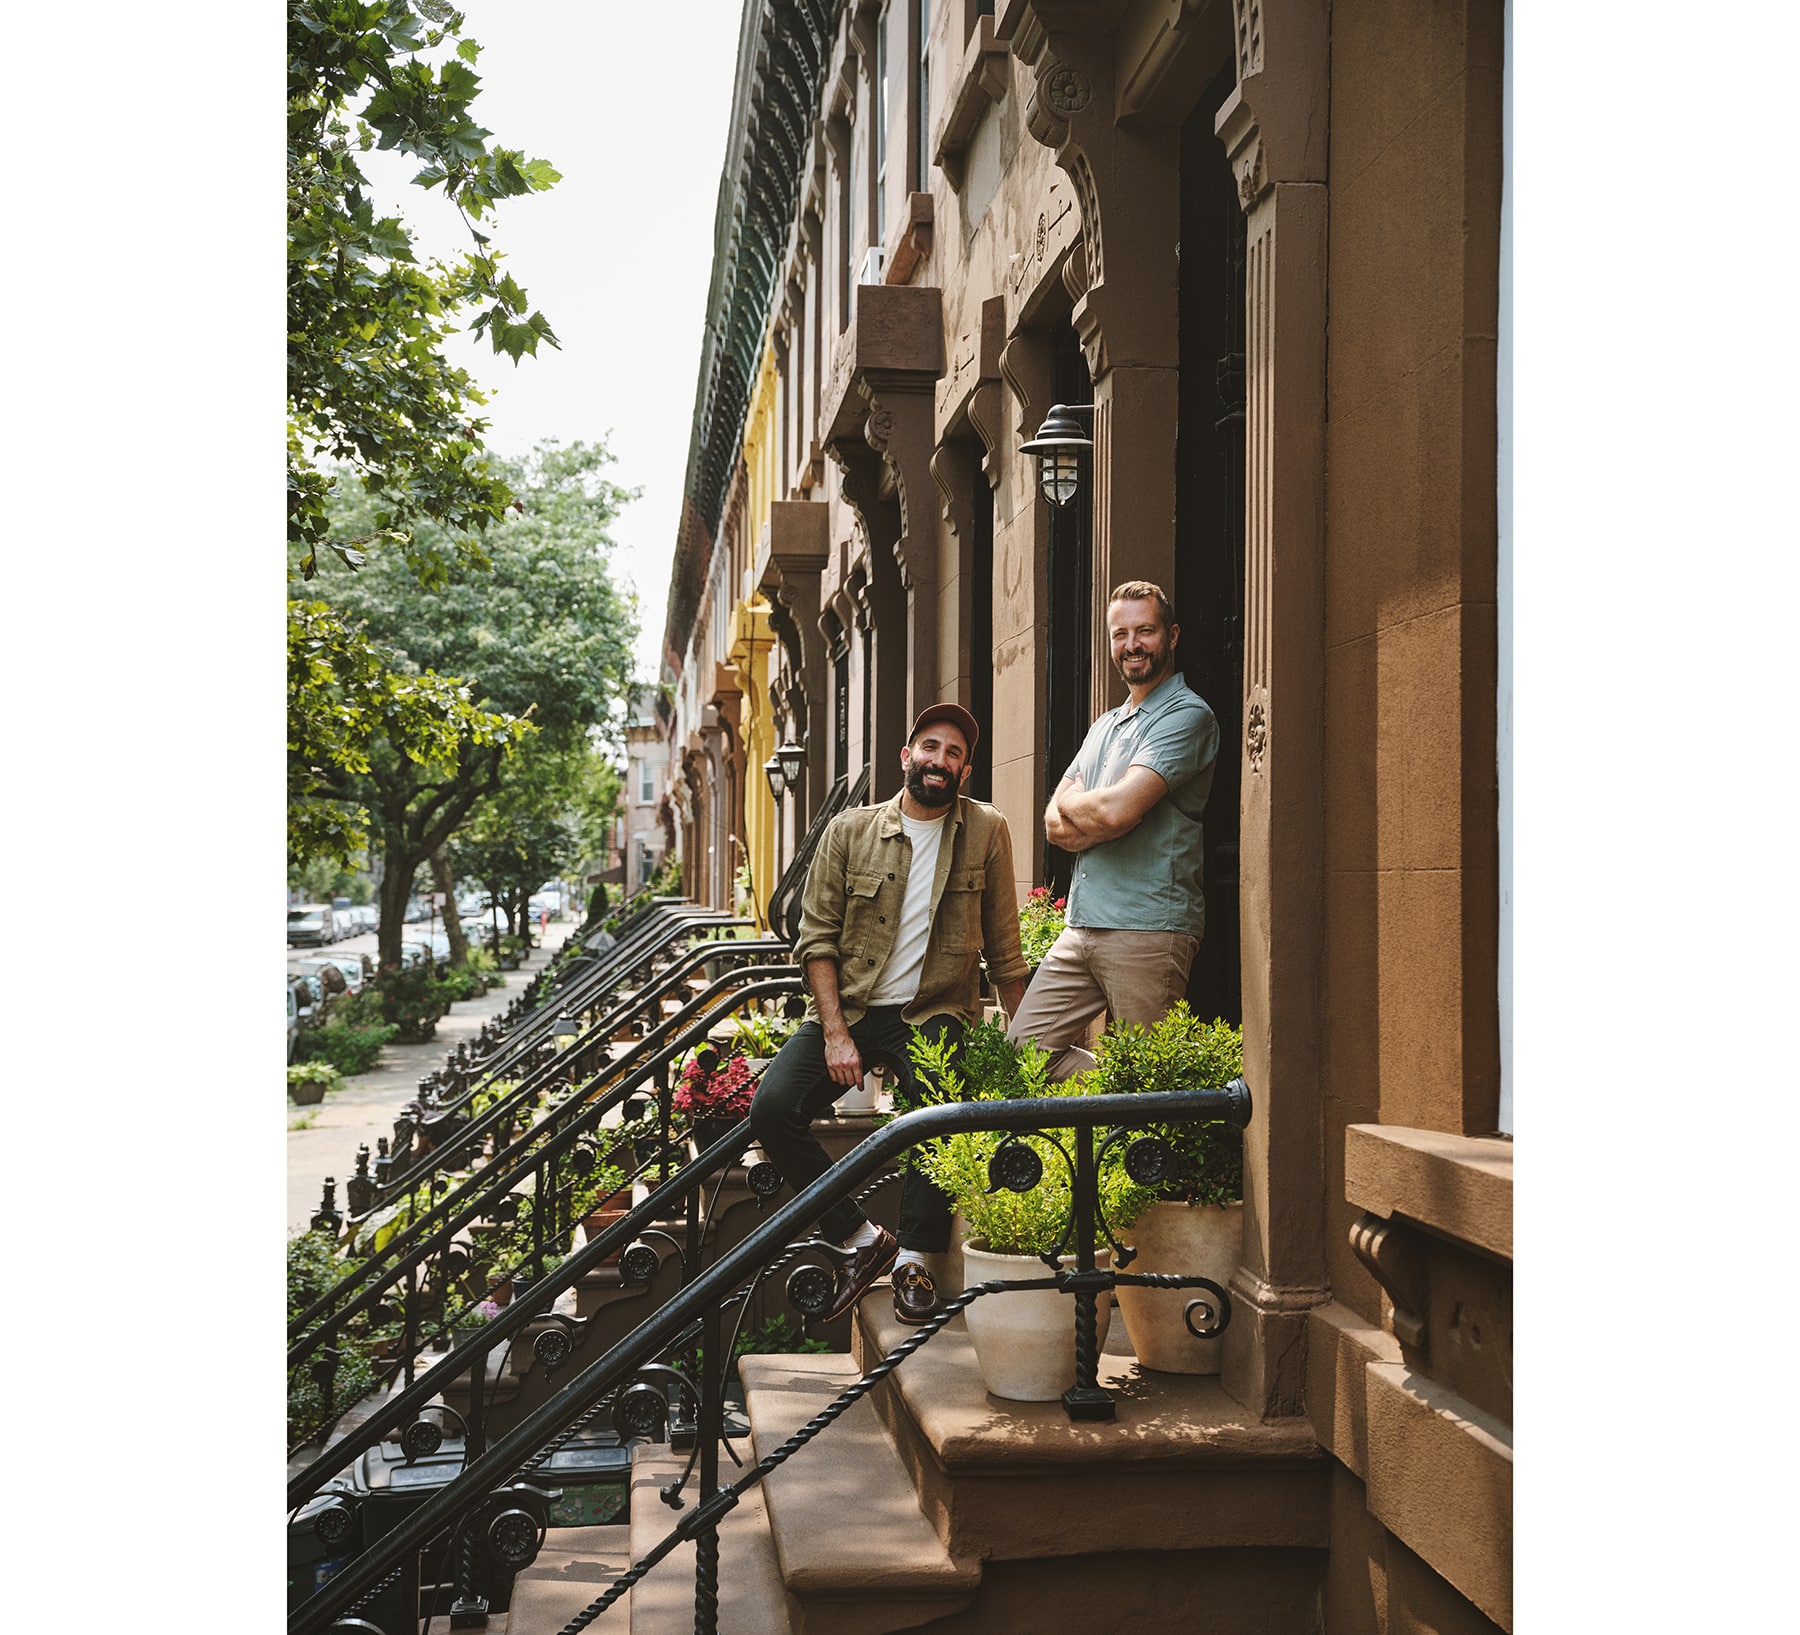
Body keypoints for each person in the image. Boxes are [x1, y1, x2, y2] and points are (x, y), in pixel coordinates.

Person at [749, 703, 1030, 1326]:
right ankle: (858, 1237)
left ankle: (915, 1263)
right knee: (773, 1108)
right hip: (849, 1006)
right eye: (929, 747)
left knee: (933, 1117)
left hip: (932, 1011)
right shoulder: (850, 831)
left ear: (965, 769)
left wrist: (1029, 1043)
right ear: (907, 757)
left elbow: (1006, 951)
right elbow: (816, 940)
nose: (939, 761)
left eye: (953, 753)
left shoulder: (987, 831)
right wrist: (835, 1034)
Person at [1005, 580, 1220, 1078]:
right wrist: (1098, 814)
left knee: (1147, 1082)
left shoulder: (1187, 715)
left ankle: (1135, 1123)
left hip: (1149, 927)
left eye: (1145, 631)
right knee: (1021, 1056)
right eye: (1120, 634)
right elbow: (1053, 821)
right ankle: (1109, 1099)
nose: (1132, 645)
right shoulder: (1105, 724)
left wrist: (1096, 812)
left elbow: (1116, 812)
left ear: (1172, 635)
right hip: (1082, 926)